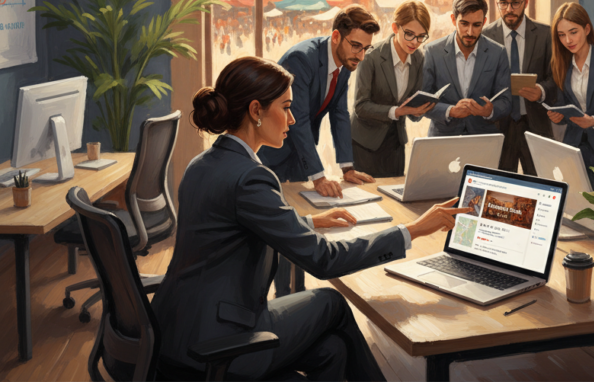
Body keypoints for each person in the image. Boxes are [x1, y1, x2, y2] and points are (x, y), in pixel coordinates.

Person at [151, 56, 471, 381]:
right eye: (285, 107)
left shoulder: (202, 164)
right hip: (218, 341)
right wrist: (413, 230)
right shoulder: (250, 177)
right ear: (256, 110)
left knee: (333, 349)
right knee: (330, 301)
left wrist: (311, 222)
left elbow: (235, 228)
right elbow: (323, 259)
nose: (292, 119)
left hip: (177, 327)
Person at [260, 5, 379, 197]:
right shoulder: (301, 59)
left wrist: (347, 168)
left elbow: (339, 114)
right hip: (273, 152)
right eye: (356, 46)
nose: (361, 56)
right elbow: (298, 119)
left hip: (301, 156)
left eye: (366, 48)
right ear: (335, 37)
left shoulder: (345, 62)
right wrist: (319, 177)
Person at [482, 0, 555, 175]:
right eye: (503, 4)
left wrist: (541, 90)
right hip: (498, 125)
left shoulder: (545, 35)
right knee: (499, 192)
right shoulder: (485, 37)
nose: (509, 10)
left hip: (535, 124)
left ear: (526, 1)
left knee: (541, 186)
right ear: (496, 2)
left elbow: (556, 79)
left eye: (515, 3)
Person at [547, 2, 594, 191]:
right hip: (573, 147)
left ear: (587, 28)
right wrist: (557, 117)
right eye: (562, 35)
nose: (568, 40)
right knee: (576, 210)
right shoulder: (561, 63)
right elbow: (563, 103)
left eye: (573, 32)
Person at [352, 0, 434, 177]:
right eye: (409, 34)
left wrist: (418, 110)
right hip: (365, 143)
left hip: (396, 142)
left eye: (421, 36)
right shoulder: (371, 57)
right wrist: (397, 111)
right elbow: (360, 106)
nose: (415, 42)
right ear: (395, 28)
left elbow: (411, 107)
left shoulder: (419, 59)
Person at [421, 0, 512, 136]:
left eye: (476, 25)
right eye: (464, 24)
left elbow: (506, 101)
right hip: (443, 139)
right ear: (453, 19)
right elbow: (423, 101)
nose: (470, 32)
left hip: (482, 140)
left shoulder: (498, 53)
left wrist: (489, 111)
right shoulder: (432, 51)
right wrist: (450, 111)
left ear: (484, 22)